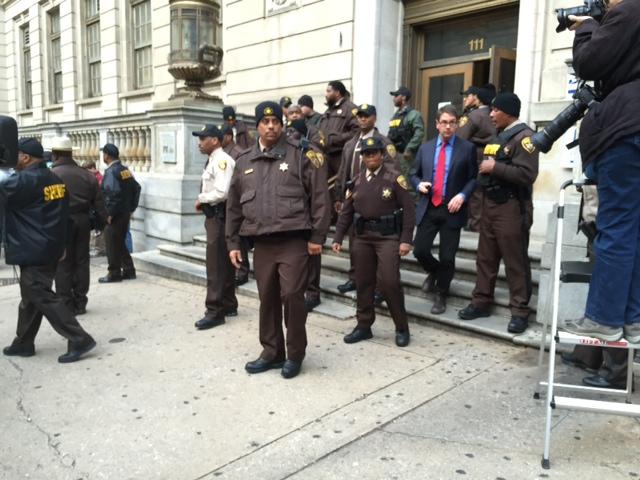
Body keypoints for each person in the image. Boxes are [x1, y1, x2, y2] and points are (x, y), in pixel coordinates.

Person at [226, 101, 330, 379]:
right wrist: (233, 243)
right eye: (265, 122)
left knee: (293, 296)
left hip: (294, 240)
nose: (271, 126)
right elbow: (234, 206)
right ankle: (272, 351)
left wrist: (317, 236)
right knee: (267, 298)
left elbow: (320, 197)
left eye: (275, 122)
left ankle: (295, 353)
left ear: (282, 125)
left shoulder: (301, 154)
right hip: (261, 243)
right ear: (257, 126)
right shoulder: (244, 161)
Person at [559, 0, 640, 343]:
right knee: (633, 232)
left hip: (627, 130)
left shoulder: (630, 10)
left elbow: (589, 63)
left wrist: (585, 28)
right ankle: (633, 320)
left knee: (617, 227)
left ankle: (604, 318)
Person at [1, 138, 96, 363]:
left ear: (25, 157)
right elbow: (64, 215)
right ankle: (24, 342)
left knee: (39, 294)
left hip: (34, 248)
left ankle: (79, 337)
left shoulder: (25, 180)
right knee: (31, 298)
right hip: (48, 246)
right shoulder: (53, 179)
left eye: (16, 155)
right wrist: (62, 244)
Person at [458, 93, 539, 334]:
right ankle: (481, 301)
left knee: (515, 261)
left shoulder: (525, 137)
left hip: (512, 206)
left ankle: (520, 311)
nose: (491, 114)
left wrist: (496, 167)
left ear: (509, 112)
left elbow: (527, 175)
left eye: (495, 110)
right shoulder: (497, 136)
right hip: (490, 204)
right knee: (485, 258)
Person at [332, 137, 415, 347]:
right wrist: (338, 237)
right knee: (363, 282)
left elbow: (409, 210)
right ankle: (363, 325)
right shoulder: (357, 180)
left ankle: (401, 327)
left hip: (387, 238)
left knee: (389, 282)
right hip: (362, 238)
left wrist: (406, 240)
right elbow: (346, 212)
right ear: (362, 157)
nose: (370, 157)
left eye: (374, 153)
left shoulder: (395, 178)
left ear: (381, 154)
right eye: (366, 153)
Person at [410, 105, 477, 315]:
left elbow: (474, 178)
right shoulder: (426, 148)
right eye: (444, 122)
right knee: (419, 250)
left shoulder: (467, 149)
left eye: (452, 122)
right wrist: (418, 185)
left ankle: (441, 294)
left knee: (448, 256)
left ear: (457, 124)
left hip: (452, 209)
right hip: (429, 206)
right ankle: (436, 272)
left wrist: (462, 195)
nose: (448, 127)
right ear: (437, 124)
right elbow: (413, 173)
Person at [334, 103, 397, 296]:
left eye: (366, 116)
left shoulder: (385, 143)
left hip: (377, 201)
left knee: (375, 247)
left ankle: (379, 286)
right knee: (356, 243)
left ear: (375, 118)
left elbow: (393, 172)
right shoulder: (351, 143)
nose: (362, 119)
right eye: (360, 116)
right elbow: (343, 171)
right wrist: (339, 196)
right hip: (353, 198)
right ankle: (355, 278)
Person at [51, 136, 107, 315]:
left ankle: (65, 303)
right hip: (82, 222)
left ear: (55, 155)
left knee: (63, 263)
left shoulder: (51, 175)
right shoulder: (86, 175)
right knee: (82, 261)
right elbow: (99, 204)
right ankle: (80, 301)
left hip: (59, 223)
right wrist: (103, 223)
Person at [192, 124, 238, 330]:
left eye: (203, 138)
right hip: (215, 216)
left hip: (219, 217)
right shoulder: (214, 159)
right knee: (223, 264)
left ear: (215, 140)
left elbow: (222, 192)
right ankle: (228, 304)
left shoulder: (222, 161)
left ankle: (215, 311)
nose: (199, 142)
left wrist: (201, 198)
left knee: (216, 266)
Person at [98, 143, 141, 283]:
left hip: (115, 214)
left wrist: (109, 213)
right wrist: (131, 208)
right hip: (124, 213)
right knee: (119, 243)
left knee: (111, 243)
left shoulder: (111, 172)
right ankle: (129, 270)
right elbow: (137, 188)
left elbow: (113, 193)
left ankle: (114, 273)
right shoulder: (124, 170)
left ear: (106, 155)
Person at [457, 84, 497, 231]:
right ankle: (485, 223)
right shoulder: (496, 113)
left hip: (477, 155)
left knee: (476, 191)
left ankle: (476, 223)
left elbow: (461, 137)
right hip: (494, 155)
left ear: (478, 99)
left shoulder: (474, 115)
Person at [221, 124, 251, 286]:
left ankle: (243, 270)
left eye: (222, 136)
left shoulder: (238, 153)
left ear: (228, 136)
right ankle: (238, 267)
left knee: (240, 239)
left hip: (239, 200)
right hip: (228, 202)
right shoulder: (223, 153)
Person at [319, 81, 360, 180]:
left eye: (329, 91)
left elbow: (357, 132)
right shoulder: (328, 110)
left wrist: (336, 139)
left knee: (340, 187)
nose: (326, 94)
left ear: (337, 93)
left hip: (341, 156)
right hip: (326, 157)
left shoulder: (350, 108)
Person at [388, 86, 425, 184]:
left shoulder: (413, 115)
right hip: (396, 156)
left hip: (408, 157)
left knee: (408, 185)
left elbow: (419, 133)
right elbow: (391, 135)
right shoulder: (395, 116)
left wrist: (409, 148)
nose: (394, 98)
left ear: (403, 97)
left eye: (396, 95)